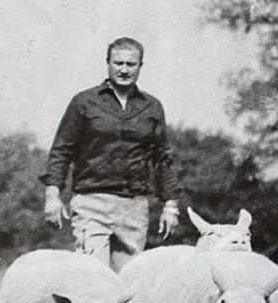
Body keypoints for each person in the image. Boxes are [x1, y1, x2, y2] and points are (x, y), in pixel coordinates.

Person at [40, 36, 182, 271]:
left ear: (140, 66)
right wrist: (52, 196)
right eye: (118, 63)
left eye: (131, 64)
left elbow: (162, 158)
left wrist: (171, 206)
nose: (124, 70)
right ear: (108, 63)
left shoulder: (152, 107)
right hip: (91, 202)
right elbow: (61, 150)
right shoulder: (84, 102)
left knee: (129, 282)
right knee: (93, 277)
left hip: (134, 207)